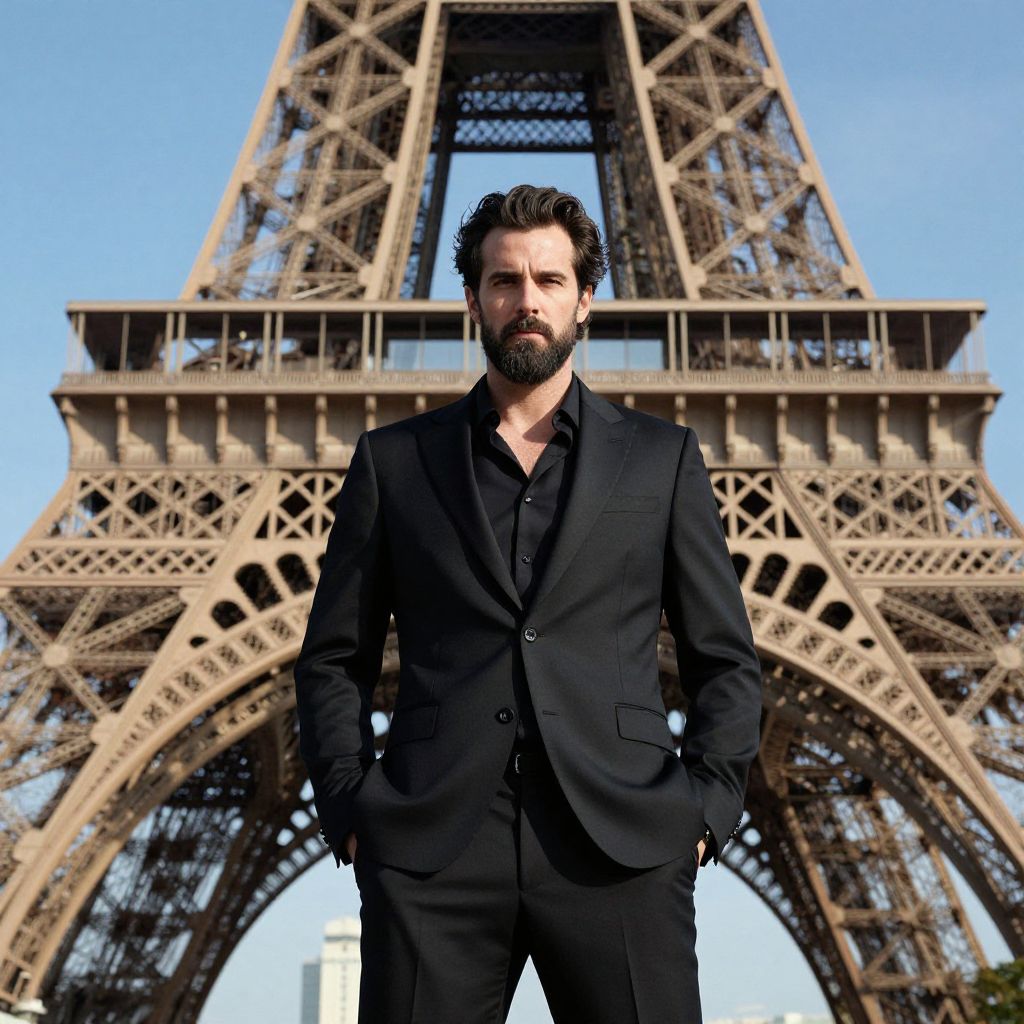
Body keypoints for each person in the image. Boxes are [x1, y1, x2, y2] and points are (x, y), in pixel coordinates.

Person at [293, 184, 763, 1023]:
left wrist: (704, 813)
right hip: (433, 847)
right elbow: (335, 656)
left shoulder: (661, 459)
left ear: (585, 299)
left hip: (623, 844)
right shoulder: (394, 462)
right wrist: (351, 807)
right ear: (473, 296)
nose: (527, 301)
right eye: (505, 280)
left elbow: (723, 657)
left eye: (549, 280)